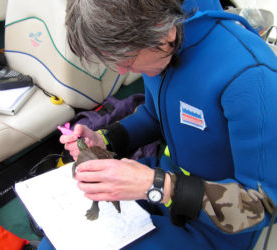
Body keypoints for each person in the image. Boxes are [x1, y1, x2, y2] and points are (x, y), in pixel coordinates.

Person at [38, 0, 277, 249]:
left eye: (127, 60)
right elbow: (155, 116)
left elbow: (263, 204)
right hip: (160, 183)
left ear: (165, 30)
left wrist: (158, 185)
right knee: (56, 241)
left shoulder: (251, 76)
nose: (121, 70)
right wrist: (106, 140)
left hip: (214, 226)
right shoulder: (156, 40)